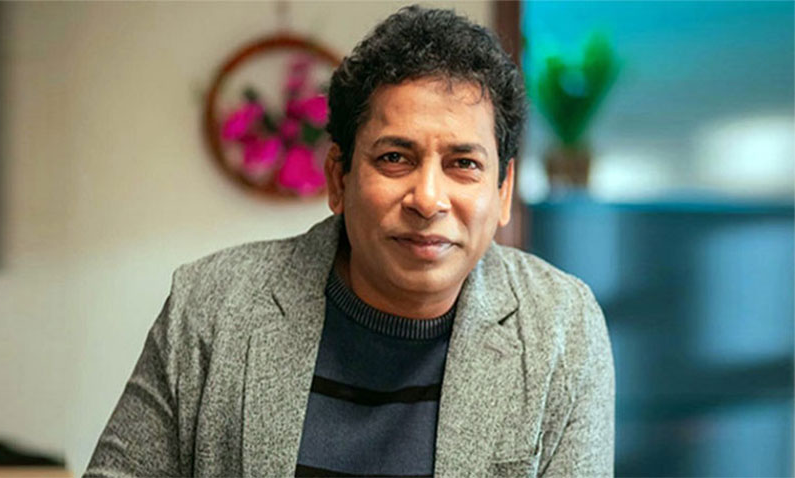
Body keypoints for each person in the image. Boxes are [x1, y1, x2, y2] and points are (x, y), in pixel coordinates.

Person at [85, 6, 614, 478]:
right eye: (394, 158)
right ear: (338, 179)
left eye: (463, 164)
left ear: (503, 192)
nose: (428, 199)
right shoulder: (211, 306)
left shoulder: (561, 327)